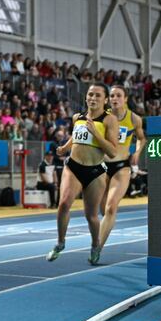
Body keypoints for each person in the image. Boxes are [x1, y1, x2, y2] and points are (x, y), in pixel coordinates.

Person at [46, 83, 119, 265]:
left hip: (95, 172)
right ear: (86, 97)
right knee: (63, 204)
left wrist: (96, 133)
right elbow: (76, 136)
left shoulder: (109, 120)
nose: (93, 98)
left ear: (105, 100)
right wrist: (65, 147)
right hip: (74, 167)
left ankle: (95, 245)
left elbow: (112, 152)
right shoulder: (77, 117)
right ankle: (60, 243)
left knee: (91, 216)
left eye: (97, 95)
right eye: (90, 94)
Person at [98, 85, 146, 250]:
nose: (114, 99)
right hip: (102, 166)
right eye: (112, 96)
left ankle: (97, 247)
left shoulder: (134, 119)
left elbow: (141, 138)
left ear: (125, 99)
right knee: (103, 209)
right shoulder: (103, 116)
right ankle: (108, 224)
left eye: (118, 95)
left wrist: (137, 152)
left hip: (121, 166)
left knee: (111, 207)